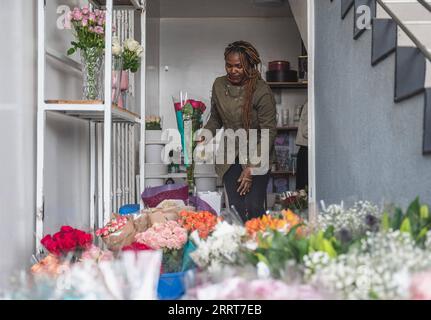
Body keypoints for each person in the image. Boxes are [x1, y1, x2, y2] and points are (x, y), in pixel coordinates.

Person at [200, 41, 277, 222]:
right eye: (229, 65)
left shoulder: (261, 90)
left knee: (254, 207)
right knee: (235, 208)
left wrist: (251, 168)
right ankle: (237, 245)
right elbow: (216, 118)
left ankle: (255, 246)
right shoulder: (219, 85)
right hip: (229, 155)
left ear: (249, 65)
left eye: (238, 66)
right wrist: (205, 134)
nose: (232, 70)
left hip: (257, 152)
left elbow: (269, 131)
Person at [295, 102, 308, 190]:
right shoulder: (312, 103)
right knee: (304, 190)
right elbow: (307, 131)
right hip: (307, 150)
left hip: (307, 150)